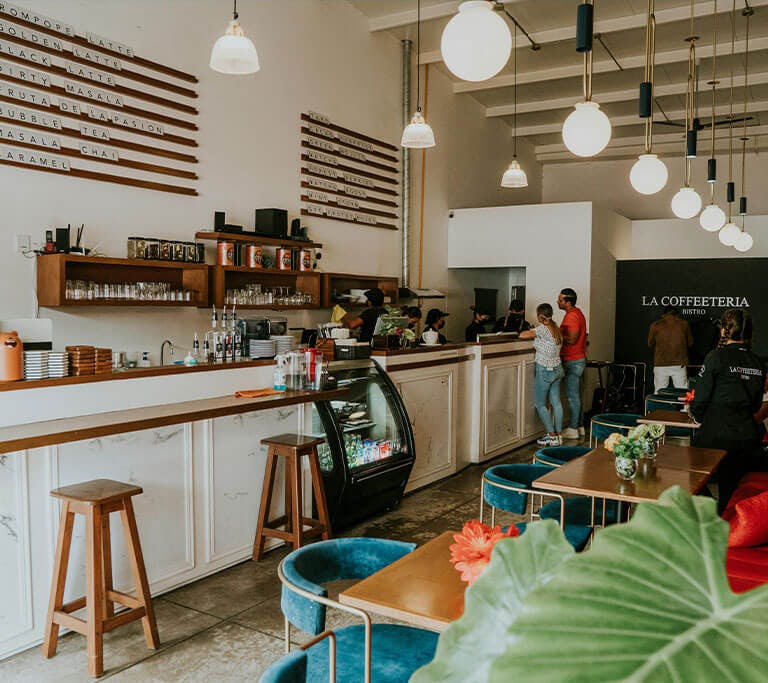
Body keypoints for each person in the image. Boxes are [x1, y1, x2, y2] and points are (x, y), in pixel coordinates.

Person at [691, 309, 766, 514]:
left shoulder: (715, 357)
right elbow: (756, 405)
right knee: (731, 489)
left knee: (689, 474)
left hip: (714, 436)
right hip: (747, 437)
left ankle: (714, 512)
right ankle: (724, 516)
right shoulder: (759, 363)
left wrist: (699, 416)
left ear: (724, 330)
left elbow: (701, 398)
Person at [519, 304, 565, 446]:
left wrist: (532, 330)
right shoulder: (556, 329)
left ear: (540, 316)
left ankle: (551, 436)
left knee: (540, 404)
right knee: (556, 403)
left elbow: (522, 335)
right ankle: (558, 435)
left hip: (545, 369)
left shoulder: (543, 329)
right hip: (558, 368)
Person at [557, 287, 588, 440]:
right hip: (578, 358)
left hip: (572, 359)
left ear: (568, 302)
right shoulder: (577, 313)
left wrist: (557, 334)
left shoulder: (572, 316)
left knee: (572, 397)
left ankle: (573, 428)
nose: (558, 301)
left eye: (560, 299)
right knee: (577, 396)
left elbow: (572, 339)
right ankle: (580, 426)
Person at [648, 306, 694, 392]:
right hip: (679, 363)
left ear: (664, 315)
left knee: (659, 391)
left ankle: (658, 405)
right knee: (682, 391)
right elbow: (690, 343)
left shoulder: (655, 325)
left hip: (660, 363)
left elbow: (650, 344)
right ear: (677, 314)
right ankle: (686, 406)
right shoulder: (684, 324)